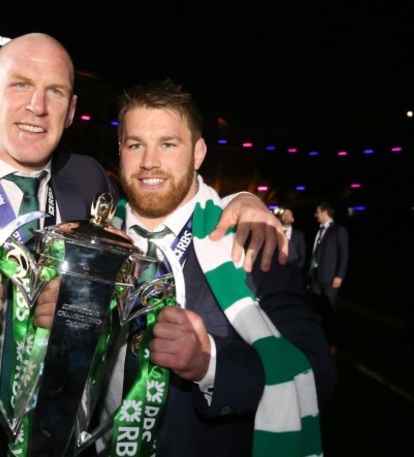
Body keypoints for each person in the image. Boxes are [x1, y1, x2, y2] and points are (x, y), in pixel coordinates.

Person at [0, 34, 289, 456]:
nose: (36, 106)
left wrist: (240, 200)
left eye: (54, 91)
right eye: (20, 85)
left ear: (72, 108)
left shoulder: (85, 180)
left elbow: (160, 192)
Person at [77, 78, 336, 456]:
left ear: (198, 153)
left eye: (168, 144)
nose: (150, 162)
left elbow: (318, 374)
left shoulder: (250, 241)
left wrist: (209, 363)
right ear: (120, 150)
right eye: (136, 145)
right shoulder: (92, 239)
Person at [307, 201, 350, 353]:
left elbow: (344, 255)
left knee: (330, 311)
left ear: (325, 212)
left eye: (317, 212)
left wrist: (339, 275)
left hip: (330, 277)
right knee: (317, 310)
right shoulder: (319, 231)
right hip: (316, 277)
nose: (315, 215)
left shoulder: (339, 230)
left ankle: (333, 342)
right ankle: (319, 339)